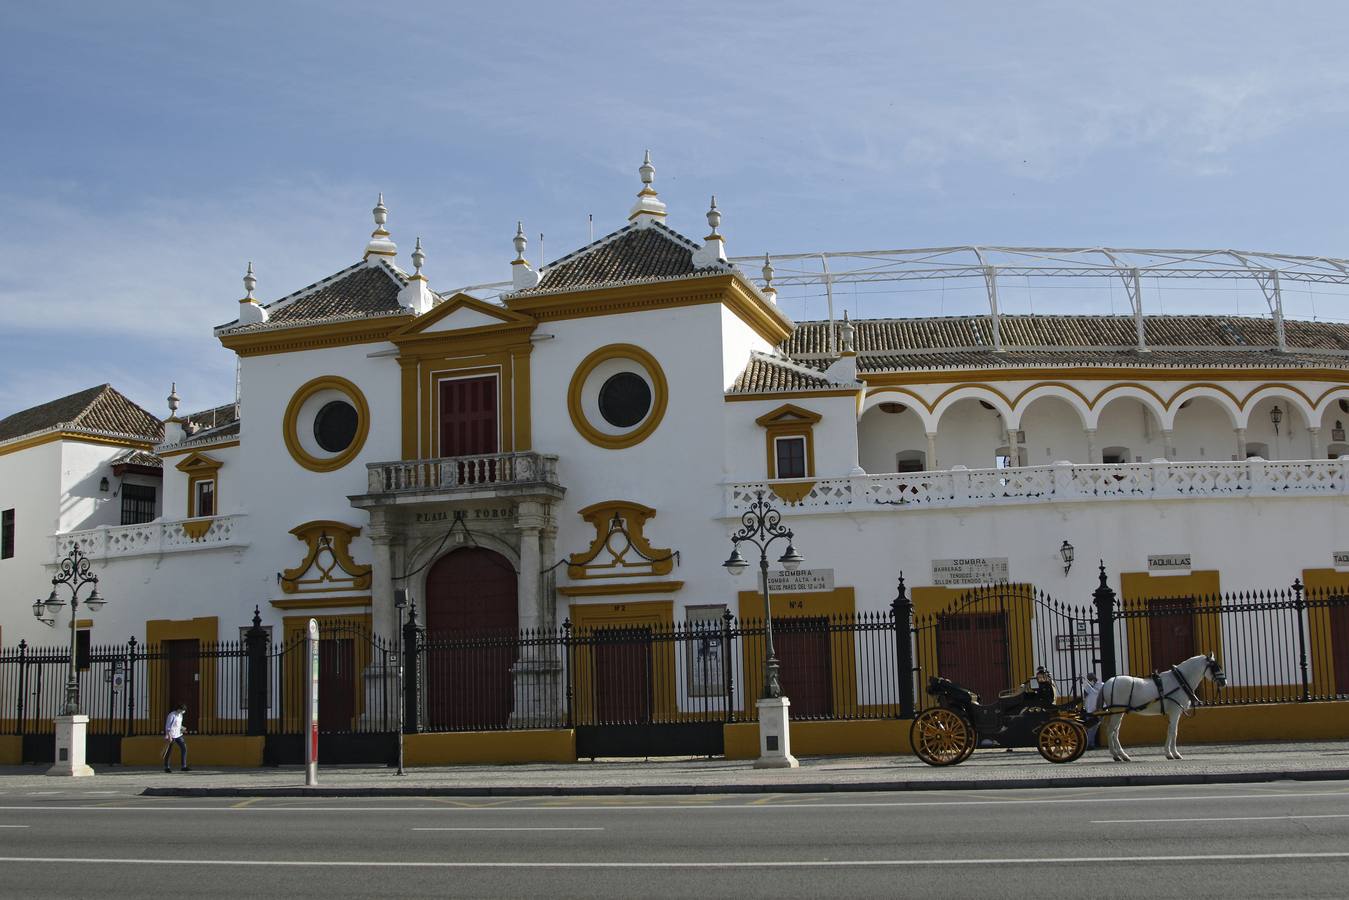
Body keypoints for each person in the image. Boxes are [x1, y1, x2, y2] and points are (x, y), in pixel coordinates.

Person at [163, 703, 189, 772]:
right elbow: (168, 726)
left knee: (184, 748)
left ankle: (184, 766)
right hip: (171, 735)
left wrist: (183, 728)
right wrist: (169, 736)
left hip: (178, 735)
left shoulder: (180, 715)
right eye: (183, 710)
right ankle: (167, 767)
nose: (184, 711)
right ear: (179, 709)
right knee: (169, 751)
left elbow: (178, 725)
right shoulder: (172, 715)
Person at [1081, 672, 1103, 748]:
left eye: (1091, 678)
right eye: (1089, 678)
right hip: (1089, 710)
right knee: (1090, 728)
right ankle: (1090, 743)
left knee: (1094, 728)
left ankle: (1090, 743)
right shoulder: (1088, 686)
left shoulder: (1102, 685)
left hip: (1098, 710)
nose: (1090, 679)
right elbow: (1084, 696)